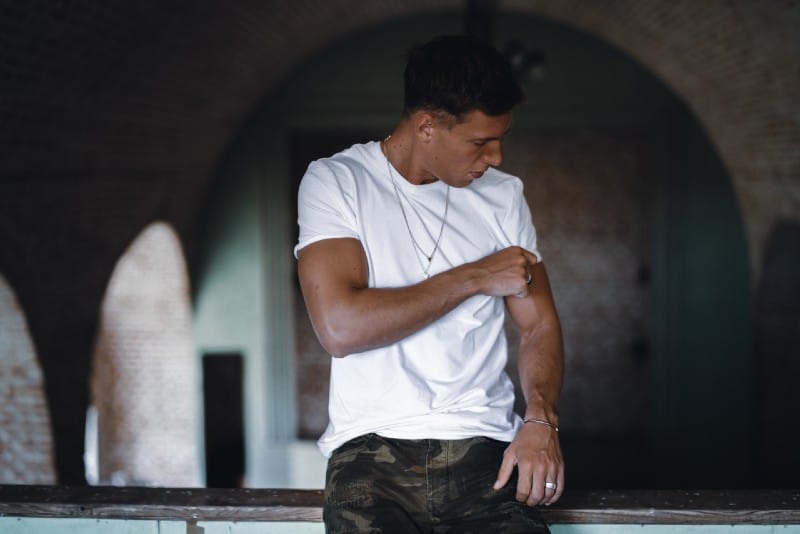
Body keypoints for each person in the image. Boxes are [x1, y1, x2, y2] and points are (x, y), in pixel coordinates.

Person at [294, 34, 565, 533]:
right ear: (425, 128)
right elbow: (341, 328)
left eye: (501, 138)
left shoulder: (503, 197)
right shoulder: (336, 182)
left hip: (485, 447)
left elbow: (538, 325)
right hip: (369, 452)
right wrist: (477, 276)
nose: (497, 158)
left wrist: (540, 421)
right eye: (480, 142)